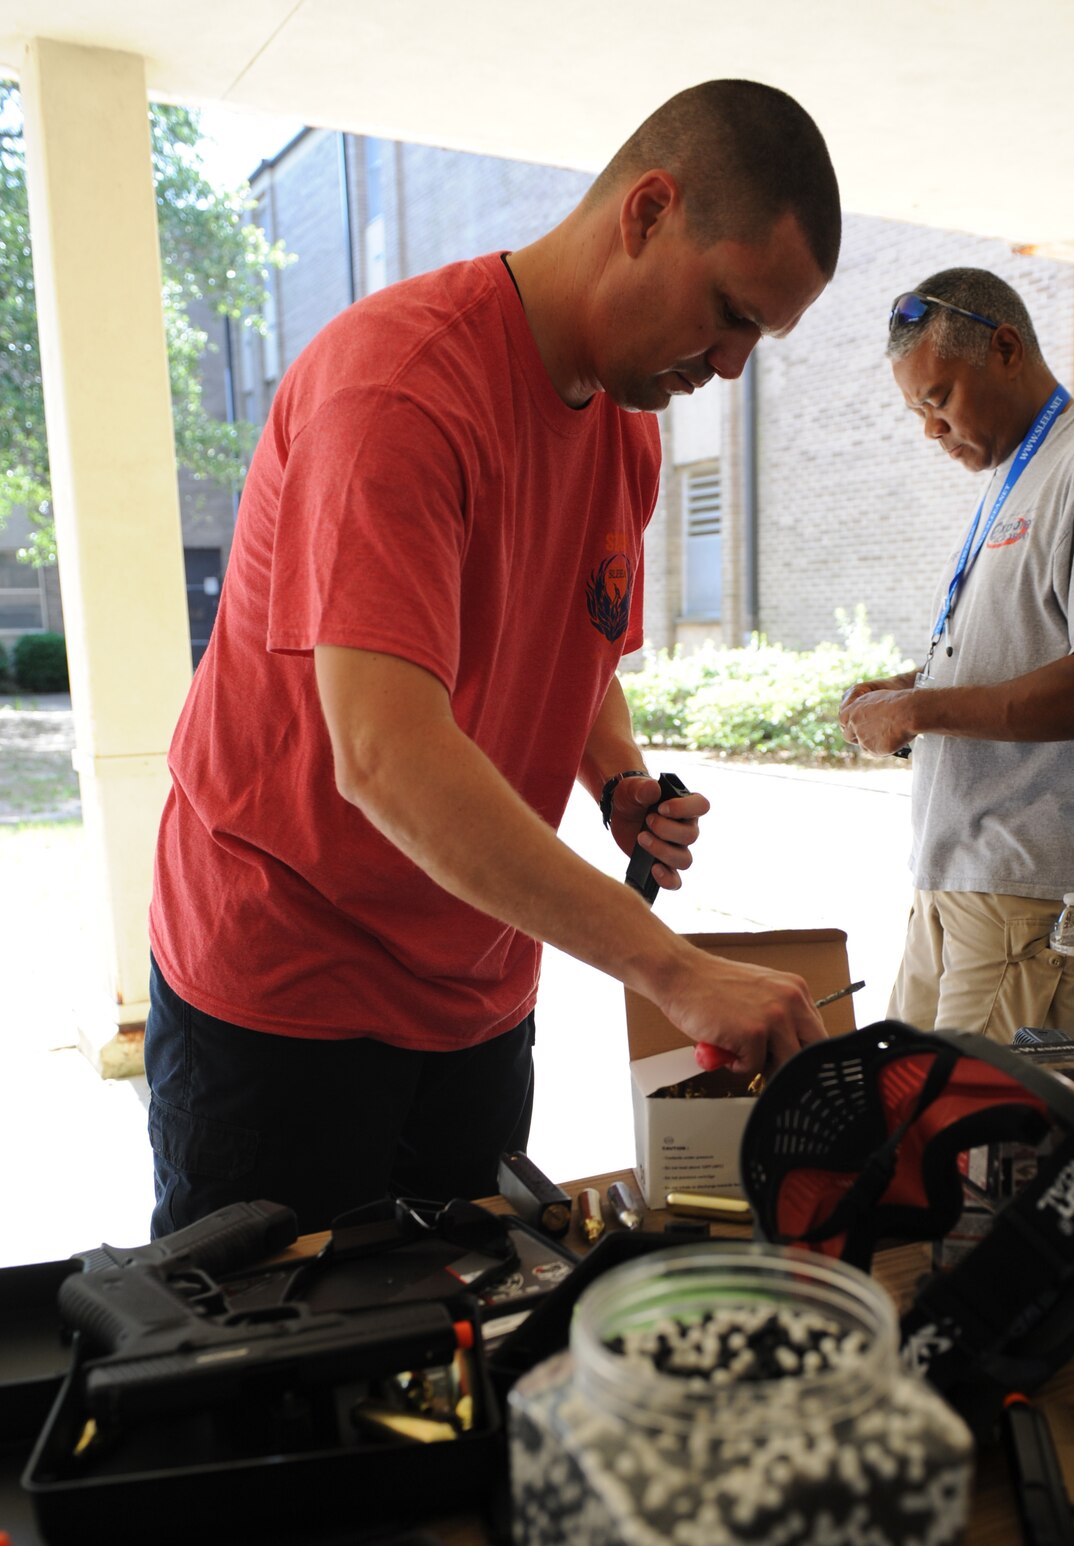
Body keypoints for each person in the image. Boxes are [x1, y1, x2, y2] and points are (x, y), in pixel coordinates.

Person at [146, 81, 841, 1236]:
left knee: (454, 1349)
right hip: (286, 991)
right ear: (647, 210)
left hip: (471, 990)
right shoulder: (400, 392)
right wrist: (672, 969)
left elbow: (574, 649)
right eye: (727, 313)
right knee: (279, 1383)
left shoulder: (624, 432)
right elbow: (383, 754)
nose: (727, 366)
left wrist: (614, 780)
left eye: (756, 338)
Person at [838, 268, 1074, 1044]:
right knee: (907, 1126)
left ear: (1003, 348)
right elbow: (1026, 652)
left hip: (1027, 897)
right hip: (958, 879)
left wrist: (921, 709)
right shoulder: (1017, 477)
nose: (931, 429)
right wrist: (911, 686)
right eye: (916, 411)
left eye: (939, 399)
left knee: (976, 1150)